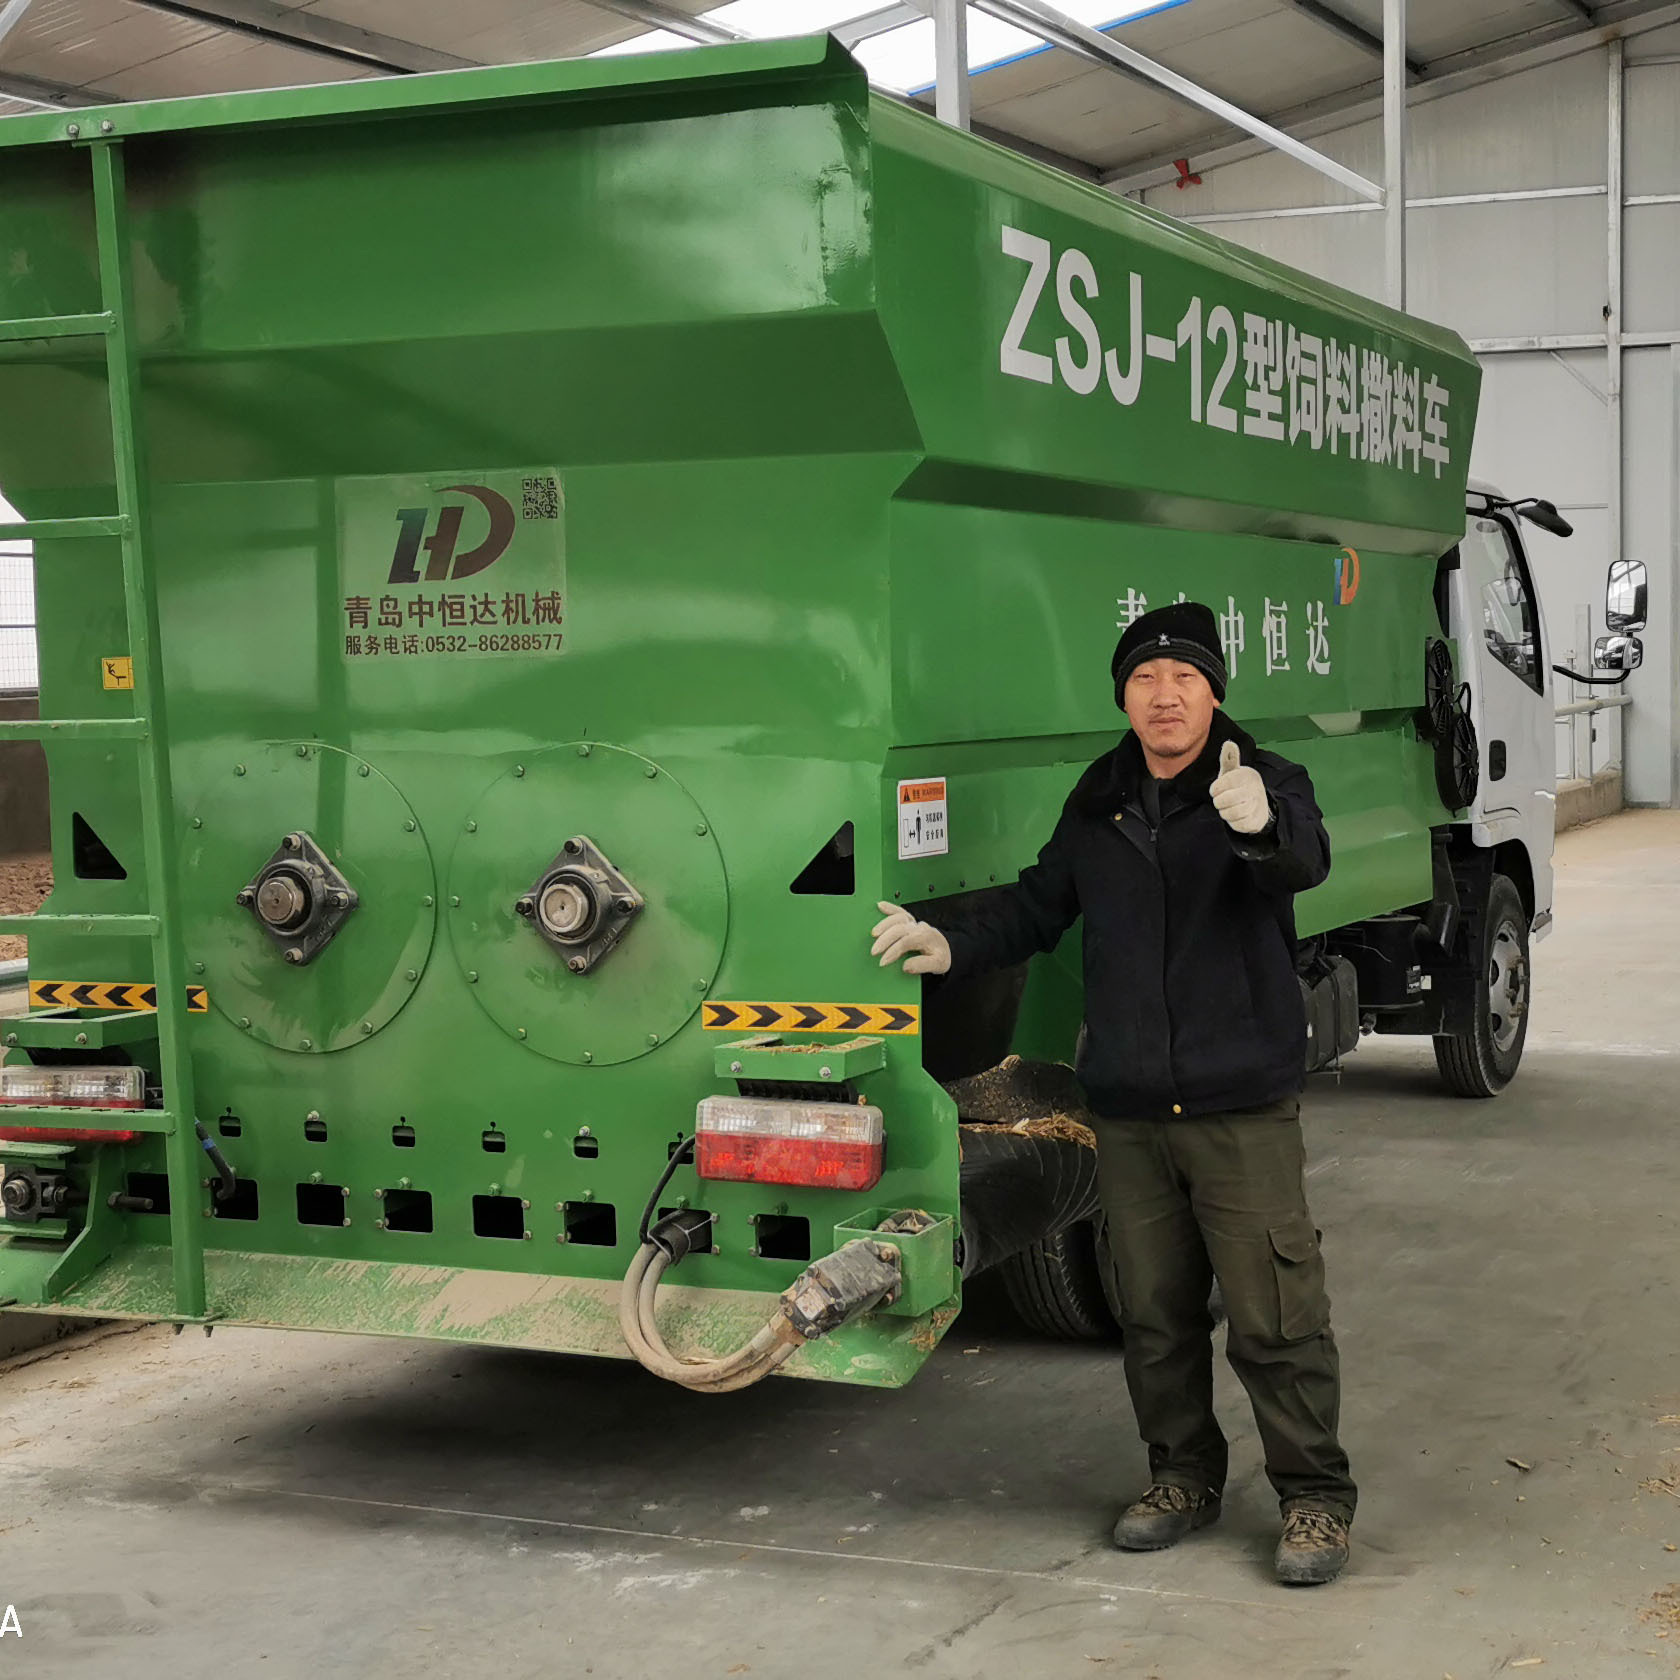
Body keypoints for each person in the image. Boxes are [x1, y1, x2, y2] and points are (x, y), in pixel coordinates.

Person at [869, 600, 1356, 1587]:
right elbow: (1041, 904)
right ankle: (1181, 1476)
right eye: (1143, 678)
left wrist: (1259, 829)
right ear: (1124, 698)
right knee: (1153, 1312)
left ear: (1215, 691)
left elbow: (1303, 859)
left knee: (1274, 1314)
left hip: (1237, 1106)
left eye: (1183, 677)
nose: (1163, 694)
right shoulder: (1100, 800)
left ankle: (1313, 1496)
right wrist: (953, 944)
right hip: (1129, 1109)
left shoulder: (1260, 782)